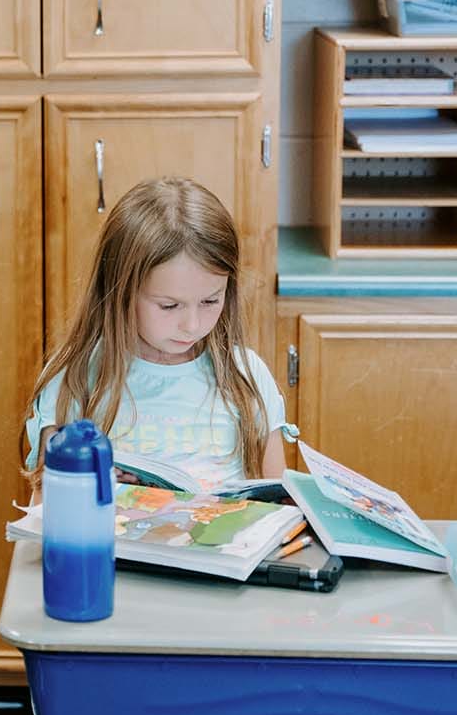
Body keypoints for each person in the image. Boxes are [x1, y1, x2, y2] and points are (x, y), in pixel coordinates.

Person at [23, 176, 286, 492]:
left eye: (210, 301)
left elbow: (278, 508)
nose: (192, 324)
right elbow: (46, 514)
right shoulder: (76, 381)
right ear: (120, 291)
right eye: (169, 305)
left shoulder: (247, 376)